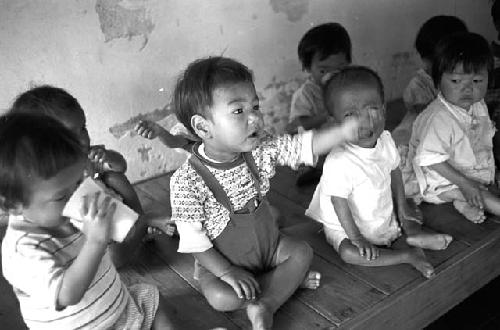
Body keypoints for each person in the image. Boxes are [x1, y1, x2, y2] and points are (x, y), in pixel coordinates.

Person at [169, 56, 358, 330]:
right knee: (221, 298)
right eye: (238, 111)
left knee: (301, 253)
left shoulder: (260, 148)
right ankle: (284, 284)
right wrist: (227, 272)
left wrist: (341, 131)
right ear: (202, 127)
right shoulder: (187, 181)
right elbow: (194, 243)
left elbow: (303, 146)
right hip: (223, 263)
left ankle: (265, 303)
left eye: (255, 106)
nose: (255, 117)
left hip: (268, 248)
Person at [0, 113, 173, 329]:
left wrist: (118, 224)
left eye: (79, 181)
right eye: (62, 196)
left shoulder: (61, 213)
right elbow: (67, 294)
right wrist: (96, 242)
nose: (77, 195)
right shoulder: (22, 249)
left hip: (119, 308)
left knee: (152, 299)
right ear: (12, 204)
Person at [306, 66, 453, 279]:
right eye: (350, 115)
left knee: (409, 210)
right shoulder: (339, 161)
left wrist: (402, 208)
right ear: (335, 123)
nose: (365, 121)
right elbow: (340, 204)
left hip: (378, 213)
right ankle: (406, 255)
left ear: (383, 108)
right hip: (346, 225)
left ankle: (413, 238)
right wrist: (357, 238)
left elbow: (394, 171)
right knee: (349, 253)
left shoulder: (384, 139)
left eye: (372, 109)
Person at [9, 85, 170, 267]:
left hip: (110, 210)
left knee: (114, 177)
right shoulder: (46, 188)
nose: (84, 140)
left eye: (83, 129)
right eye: (70, 135)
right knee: (115, 259)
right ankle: (143, 225)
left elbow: (121, 166)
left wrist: (108, 157)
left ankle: (140, 222)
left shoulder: (87, 156)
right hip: (91, 231)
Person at [408, 32, 497, 223]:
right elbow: (431, 160)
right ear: (437, 81)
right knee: (482, 195)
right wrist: (465, 184)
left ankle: (462, 204)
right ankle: (461, 199)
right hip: (443, 179)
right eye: (456, 81)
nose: (467, 89)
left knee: (485, 185)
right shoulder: (439, 118)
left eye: (476, 81)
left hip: (468, 168)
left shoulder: (478, 105)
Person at [391, 16, 468, 196]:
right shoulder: (419, 84)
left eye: (431, 60)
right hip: (417, 138)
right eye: (424, 58)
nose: (426, 65)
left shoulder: (463, 80)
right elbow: (426, 120)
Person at [287, 22, 352, 186]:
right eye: (323, 70)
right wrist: (325, 115)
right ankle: (313, 169)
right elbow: (294, 126)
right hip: (318, 143)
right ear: (308, 68)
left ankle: (333, 167)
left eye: (340, 68)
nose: (331, 75)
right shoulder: (305, 94)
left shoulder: (348, 85)